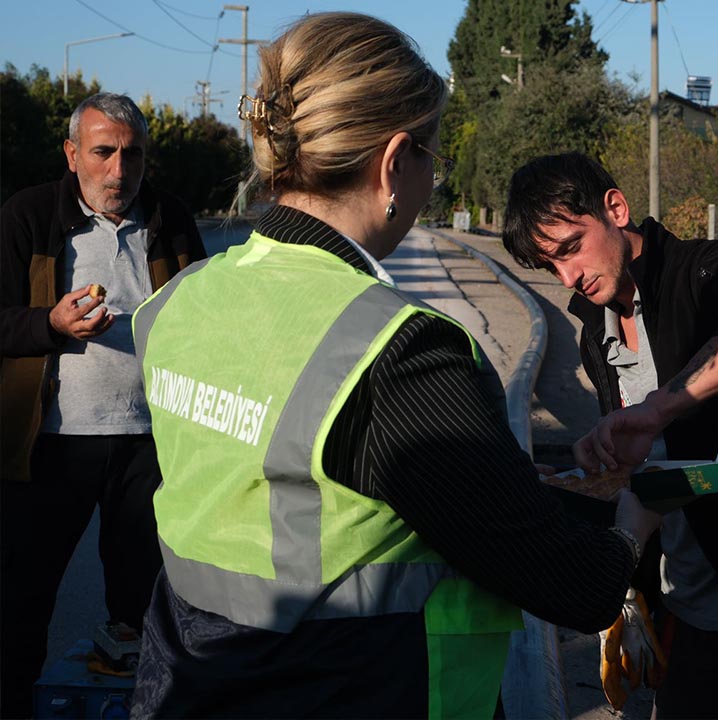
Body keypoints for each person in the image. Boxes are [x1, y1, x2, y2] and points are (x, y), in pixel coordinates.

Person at [126, 13, 661, 719]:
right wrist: (632, 523)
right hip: (352, 692)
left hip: (185, 688)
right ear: (393, 162)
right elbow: (570, 584)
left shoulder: (178, 302)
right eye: (432, 163)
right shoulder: (398, 349)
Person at [502, 152, 718, 718]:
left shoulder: (708, 269)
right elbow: (656, 471)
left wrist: (661, 408)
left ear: (615, 208)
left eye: (570, 248)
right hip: (684, 609)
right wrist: (576, 485)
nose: (570, 278)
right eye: (552, 267)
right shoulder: (598, 331)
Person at [0, 92, 205, 718]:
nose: (120, 170)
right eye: (104, 152)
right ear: (71, 154)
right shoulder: (27, 216)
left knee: (141, 607)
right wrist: (50, 323)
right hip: (47, 447)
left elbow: (204, 313)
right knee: (20, 603)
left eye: (134, 154)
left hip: (149, 442)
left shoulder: (169, 217)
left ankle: (134, 704)